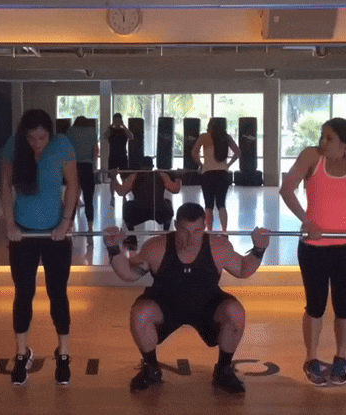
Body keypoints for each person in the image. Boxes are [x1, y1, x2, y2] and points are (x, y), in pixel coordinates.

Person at [103, 202, 270, 395]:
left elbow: (242, 269)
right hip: (165, 306)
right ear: (175, 225)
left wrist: (259, 249)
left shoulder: (218, 247)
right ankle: (151, 369)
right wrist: (113, 249)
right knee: (140, 314)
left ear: (205, 227)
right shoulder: (156, 247)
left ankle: (223, 371)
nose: (191, 239)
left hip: (207, 307)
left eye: (197, 231)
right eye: (184, 231)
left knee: (236, 313)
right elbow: (128, 274)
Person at [279, 117, 346, 386]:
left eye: (329, 138)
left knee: (344, 308)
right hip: (314, 248)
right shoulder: (311, 156)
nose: (322, 142)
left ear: (344, 142)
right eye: (322, 136)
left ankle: (341, 357)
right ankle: (311, 359)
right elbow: (287, 189)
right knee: (315, 307)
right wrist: (307, 221)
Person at [0, 109, 80, 386]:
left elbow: (73, 185)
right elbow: (5, 186)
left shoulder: (62, 145)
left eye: (42, 138)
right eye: (31, 138)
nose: (36, 143)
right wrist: (10, 224)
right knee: (23, 294)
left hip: (55, 233)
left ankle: (64, 354)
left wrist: (66, 222)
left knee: (58, 294)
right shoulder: (14, 145)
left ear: (50, 134)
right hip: (23, 234)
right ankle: (22, 354)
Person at [111, 156, 182, 250]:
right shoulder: (162, 175)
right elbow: (175, 189)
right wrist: (178, 177)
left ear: (140, 166)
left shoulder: (134, 176)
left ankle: (132, 238)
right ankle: (165, 235)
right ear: (152, 166)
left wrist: (114, 177)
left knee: (126, 206)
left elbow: (121, 192)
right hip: (159, 211)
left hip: (140, 211)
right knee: (167, 203)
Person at [192, 118, 241, 231]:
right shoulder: (226, 137)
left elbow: (194, 153)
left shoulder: (204, 137)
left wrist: (200, 164)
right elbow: (238, 152)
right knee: (221, 204)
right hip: (222, 174)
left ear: (210, 126)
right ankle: (224, 231)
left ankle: (210, 231)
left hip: (207, 174)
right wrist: (228, 165)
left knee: (208, 206)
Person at [66, 116, 99, 244]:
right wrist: (94, 165)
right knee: (89, 199)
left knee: (73, 198)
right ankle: (90, 228)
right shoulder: (92, 132)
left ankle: (69, 226)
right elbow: (95, 150)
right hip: (87, 166)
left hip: (74, 166)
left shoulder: (70, 131)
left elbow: (67, 149)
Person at [104, 113, 134, 206]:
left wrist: (123, 125)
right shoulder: (110, 130)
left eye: (118, 120)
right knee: (113, 178)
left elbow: (131, 136)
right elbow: (104, 137)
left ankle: (124, 196)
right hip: (113, 156)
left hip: (122, 156)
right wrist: (111, 125)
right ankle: (112, 197)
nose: (117, 122)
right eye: (115, 120)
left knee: (124, 178)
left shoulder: (123, 130)